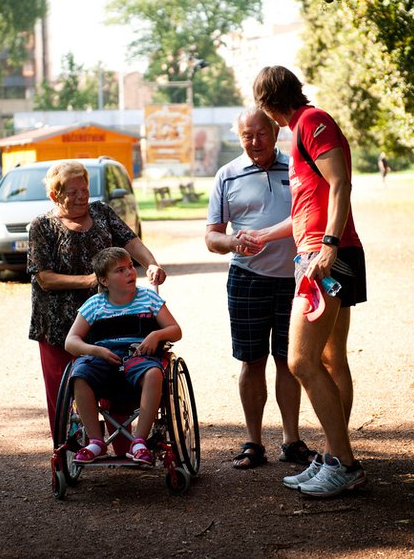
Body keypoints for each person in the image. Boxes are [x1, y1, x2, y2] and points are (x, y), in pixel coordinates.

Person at [252, 65, 368, 497]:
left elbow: (340, 184)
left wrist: (329, 246)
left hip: (327, 258)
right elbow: (309, 207)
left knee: (301, 361)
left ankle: (345, 464)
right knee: (331, 360)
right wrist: (264, 234)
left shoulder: (312, 123)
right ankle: (336, 456)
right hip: (325, 252)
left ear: (266, 103)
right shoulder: (302, 127)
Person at [205, 107, 315, 470]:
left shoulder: (296, 167)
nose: (254, 142)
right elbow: (212, 237)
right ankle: (253, 441)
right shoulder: (227, 175)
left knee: (289, 361)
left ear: (275, 131)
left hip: (294, 280)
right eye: (246, 136)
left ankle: (291, 440)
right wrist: (233, 243)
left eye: (261, 134)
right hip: (247, 279)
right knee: (252, 362)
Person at [27, 161, 166, 444]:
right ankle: (68, 449)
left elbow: (130, 241)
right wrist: (91, 281)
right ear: (55, 195)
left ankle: (123, 444)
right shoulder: (42, 226)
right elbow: (44, 278)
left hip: (109, 318)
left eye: (85, 189)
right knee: (63, 390)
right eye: (73, 191)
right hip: (58, 323)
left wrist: (151, 263)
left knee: (116, 380)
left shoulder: (102, 212)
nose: (82, 196)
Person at [63, 247, 182, 464]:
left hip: (139, 355)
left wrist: (156, 335)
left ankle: (139, 442)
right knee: (79, 375)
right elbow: (71, 342)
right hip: (103, 357)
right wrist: (94, 350)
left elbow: (176, 330)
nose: (130, 272)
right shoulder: (94, 305)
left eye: (130, 267)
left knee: (155, 373)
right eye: (120, 270)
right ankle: (96, 442)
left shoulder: (148, 299)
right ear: (104, 280)